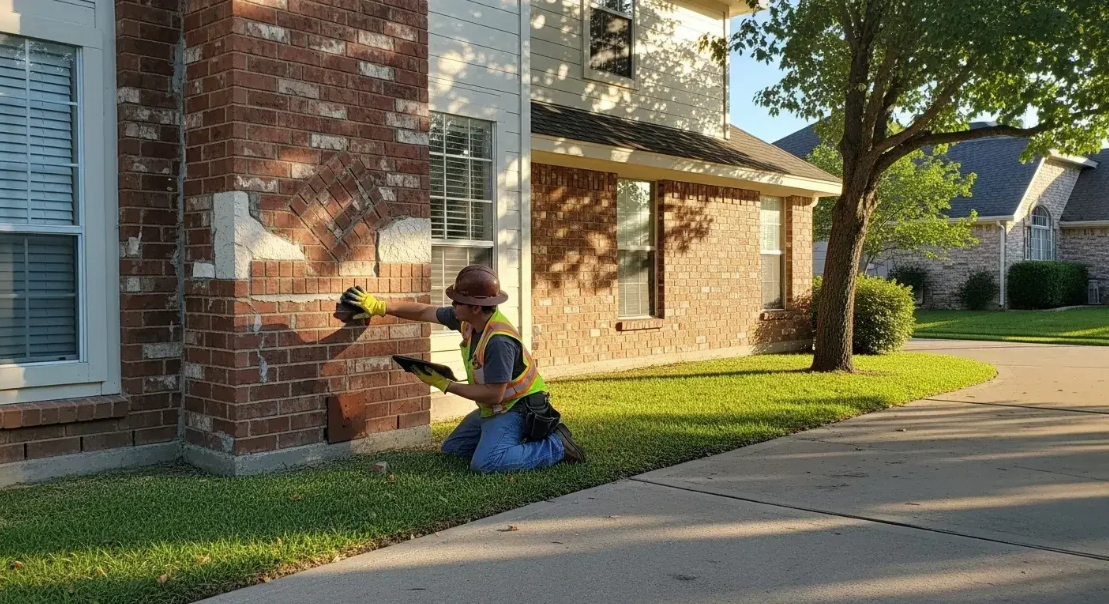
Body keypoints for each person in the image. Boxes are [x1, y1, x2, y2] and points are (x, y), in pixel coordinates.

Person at [340, 264, 585, 473]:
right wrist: (380, 306)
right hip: (495, 409)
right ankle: (508, 440)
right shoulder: (467, 320)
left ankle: (556, 447)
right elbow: (426, 311)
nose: (453, 304)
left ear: (476, 307)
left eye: (458, 301)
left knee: (486, 463)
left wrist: (447, 385)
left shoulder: (499, 341)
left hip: (517, 409)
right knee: (453, 449)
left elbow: (494, 394)